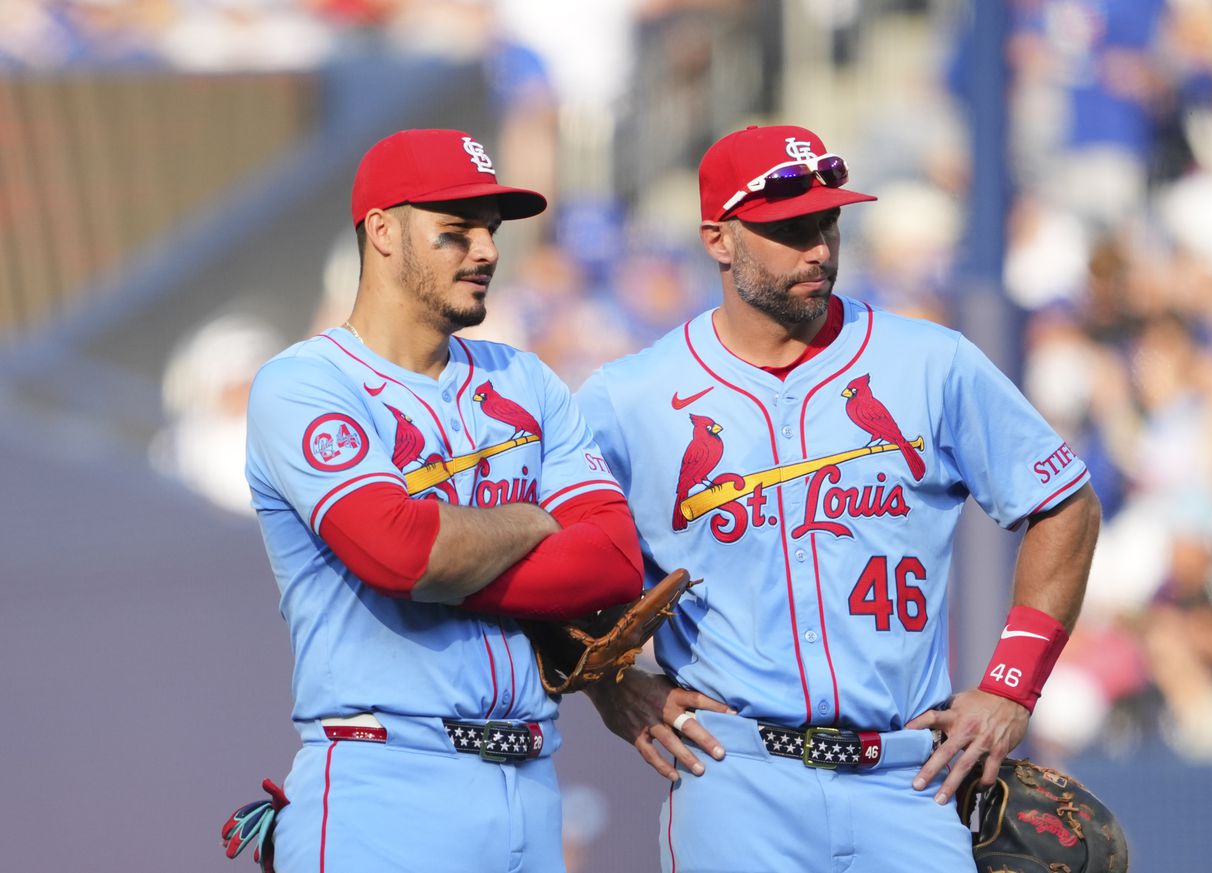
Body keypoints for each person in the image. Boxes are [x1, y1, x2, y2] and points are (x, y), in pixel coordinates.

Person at [575, 124, 1102, 871]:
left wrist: (1010, 687)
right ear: (719, 239)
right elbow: (548, 554)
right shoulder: (630, 398)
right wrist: (611, 682)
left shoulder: (930, 362)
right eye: (788, 229)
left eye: (827, 222)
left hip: (911, 773)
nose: (818, 248)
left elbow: (1064, 503)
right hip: (735, 773)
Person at [243, 128, 644, 873]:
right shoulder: (307, 384)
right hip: (384, 780)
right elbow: (401, 552)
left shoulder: (525, 378)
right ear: (384, 231)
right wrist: (533, 518)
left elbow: (614, 563)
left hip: (530, 783)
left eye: (489, 232)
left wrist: (447, 568)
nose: (487, 251)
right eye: (456, 233)